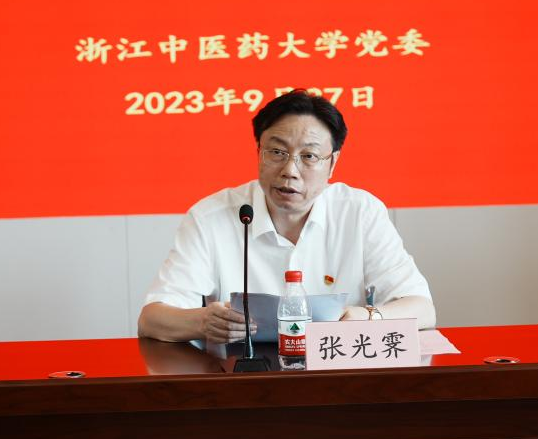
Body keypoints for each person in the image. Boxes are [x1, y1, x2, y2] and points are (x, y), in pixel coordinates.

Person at [138, 89, 435, 343]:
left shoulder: (360, 212)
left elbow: (422, 310)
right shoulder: (210, 216)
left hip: (338, 372)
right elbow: (152, 319)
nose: (290, 171)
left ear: (332, 164)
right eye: (277, 152)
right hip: (238, 376)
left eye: (309, 156)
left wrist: (366, 317)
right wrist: (203, 322)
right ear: (259, 152)